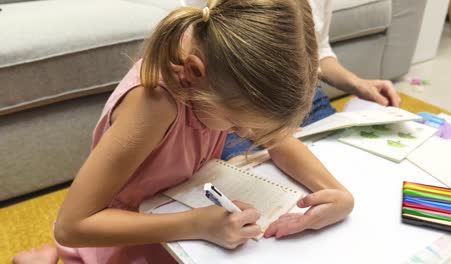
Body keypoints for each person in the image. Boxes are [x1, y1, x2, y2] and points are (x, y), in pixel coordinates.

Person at [13, 1, 354, 263]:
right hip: (122, 234)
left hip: (176, 208)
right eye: (235, 124)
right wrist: (199, 225)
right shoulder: (155, 103)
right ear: (193, 73)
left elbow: (277, 140)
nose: (245, 132)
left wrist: (338, 194)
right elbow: (72, 225)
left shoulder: (216, 77)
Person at [216, 0, 402, 161]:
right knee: (251, 175)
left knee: (347, 156)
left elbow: (318, 52)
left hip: (303, 97)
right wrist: (271, 131)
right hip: (238, 104)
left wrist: (358, 84)